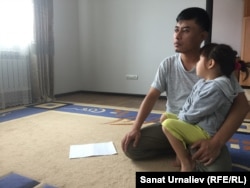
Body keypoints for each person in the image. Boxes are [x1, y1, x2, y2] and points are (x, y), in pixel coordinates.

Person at [121, 7, 250, 171]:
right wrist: (135, 128)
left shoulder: (216, 67)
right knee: (132, 147)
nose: (177, 35)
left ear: (202, 36)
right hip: (175, 123)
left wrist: (216, 143)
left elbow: (242, 106)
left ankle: (188, 150)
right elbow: (151, 96)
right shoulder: (167, 64)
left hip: (203, 132)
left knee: (219, 172)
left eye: (186, 30)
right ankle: (179, 148)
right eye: (176, 30)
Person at [161, 43, 250, 171]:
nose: (196, 64)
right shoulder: (203, 82)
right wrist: (182, 116)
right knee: (165, 116)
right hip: (194, 123)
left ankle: (187, 163)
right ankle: (180, 155)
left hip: (204, 131)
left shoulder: (217, 87)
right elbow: (190, 103)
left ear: (210, 63)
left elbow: (197, 112)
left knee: (168, 125)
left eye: (199, 60)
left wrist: (181, 119)